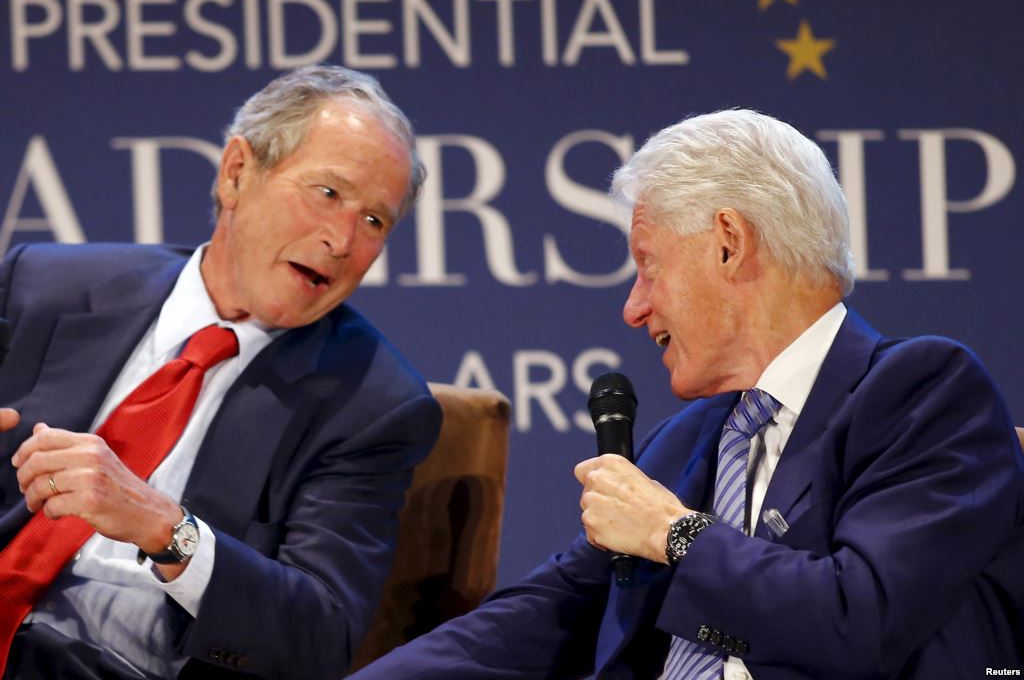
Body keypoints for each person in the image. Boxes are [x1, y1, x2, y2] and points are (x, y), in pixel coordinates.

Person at [347, 109, 1024, 679]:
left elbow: (861, 617)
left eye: (648, 266)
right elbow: (550, 609)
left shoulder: (923, 393)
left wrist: (674, 533)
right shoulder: (689, 439)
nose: (634, 309)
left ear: (729, 244)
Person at [0, 65, 441, 679]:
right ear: (238, 173)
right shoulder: (41, 288)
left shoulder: (371, 404)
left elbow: (318, 634)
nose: (342, 239)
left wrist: (165, 528)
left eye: (374, 221)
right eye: (328, 193)